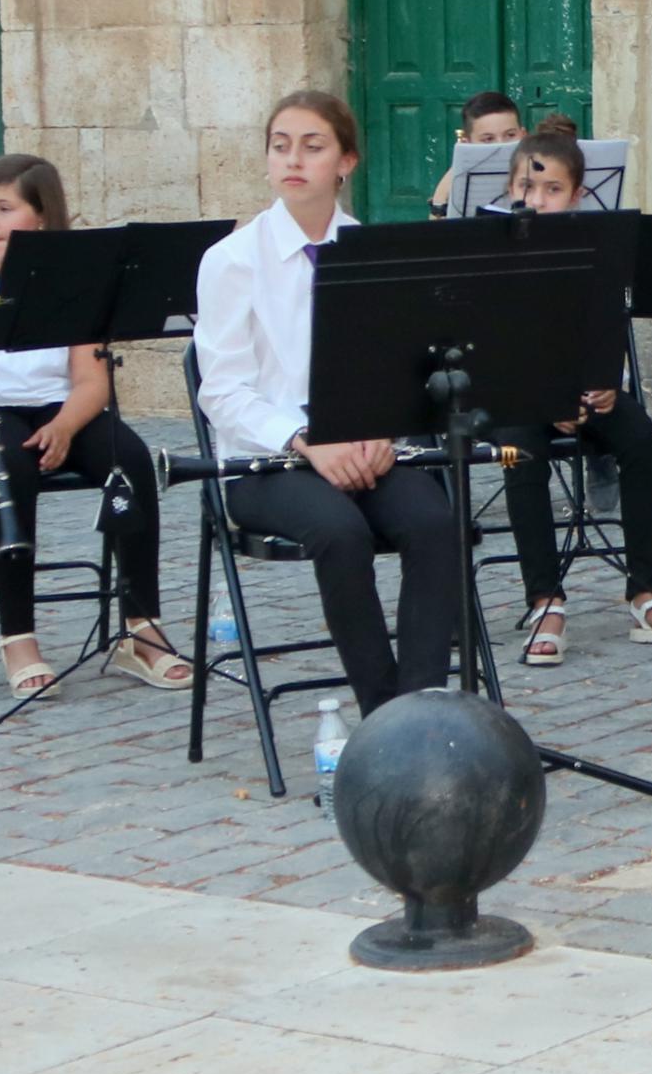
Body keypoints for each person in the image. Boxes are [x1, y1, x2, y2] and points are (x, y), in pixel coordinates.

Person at [195, 92, 460, 714]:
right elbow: (223, 389)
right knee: (340, 533)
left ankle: (419, 706)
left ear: (346, 162)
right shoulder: (232, 260)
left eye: (313, 147)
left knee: (433, 523)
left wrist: (382, 431)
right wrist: (306, 440)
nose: (294, 159)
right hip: (266, 460)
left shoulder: (370, 250)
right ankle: (380, 716)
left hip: (363, 445)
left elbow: (395, 368)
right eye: (280, 145)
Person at [0, 154, 188, 698]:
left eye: (4, 209)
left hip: (54, 406)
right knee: (9, 463)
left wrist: (64, 427)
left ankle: (140, 629)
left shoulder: (75, 284)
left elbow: (91, 383)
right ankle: (18, 637)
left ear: (41, 217)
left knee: (129, 458)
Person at [490, 131, 652, 665]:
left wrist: (605, 384)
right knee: (522, 451)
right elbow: (494, 347)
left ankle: (647, 592)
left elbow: (607, 324)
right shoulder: (495, 248)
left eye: (553, 188)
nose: (538, 200)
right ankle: (545, 598)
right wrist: (546, 401)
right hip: (515, 398)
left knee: (639, 437)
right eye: (527, 186)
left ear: (579, 194)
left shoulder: (598, 245)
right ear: (510, 187)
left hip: (582, 392)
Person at [430, 89, 526, 215]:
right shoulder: (456, 177)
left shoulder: (539, 168)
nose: (501, 144)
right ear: (467, 143)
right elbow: (436, 222)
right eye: (488, 139)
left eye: (510, 135)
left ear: (523, 135)